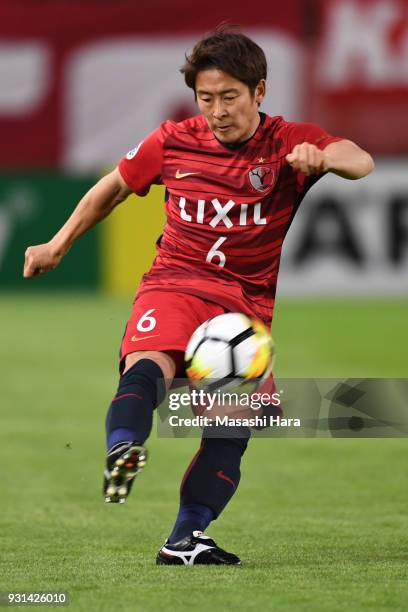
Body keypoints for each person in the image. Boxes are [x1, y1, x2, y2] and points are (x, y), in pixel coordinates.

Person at [23, 27, 374, 565]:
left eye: (229, 97)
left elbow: (359, 159)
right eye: (205, 98)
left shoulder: (287, 142)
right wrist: (58, 243)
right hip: (175, 281)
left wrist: (326, 158)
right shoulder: (173, 140)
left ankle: (185, 538)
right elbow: (112, 187)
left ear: (259, 92)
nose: (217, 110)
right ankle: (124, 446)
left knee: (232, 425)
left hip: (242, 307)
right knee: (150, 361)